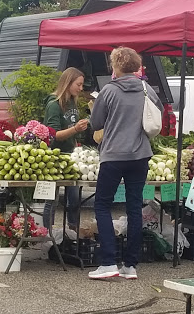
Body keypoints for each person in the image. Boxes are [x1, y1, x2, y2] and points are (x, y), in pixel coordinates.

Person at [88, 46, 163, 280]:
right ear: (137, 66)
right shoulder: (146, 88)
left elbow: (96, 122)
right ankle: (130, 266)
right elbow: (157, 112)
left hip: (113, 156)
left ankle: (108, 261)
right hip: (140, 155)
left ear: (116, 66)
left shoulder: (109, 91)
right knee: (134, 208)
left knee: (102, 205)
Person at [43, 67, 88, 230]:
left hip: (71, 157)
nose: (81, 88)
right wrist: (75, 129)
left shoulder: (72, 103)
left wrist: (77, 137)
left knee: (75, 198)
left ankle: (72, 231)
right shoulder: (54, 105)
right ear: (68, 83)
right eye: (79, 84)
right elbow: (53, 134)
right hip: (55, 157)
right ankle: (47, 234)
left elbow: (71, 130)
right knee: (51, 199)